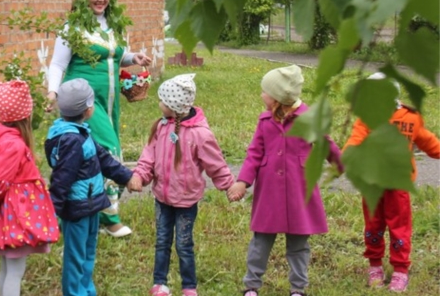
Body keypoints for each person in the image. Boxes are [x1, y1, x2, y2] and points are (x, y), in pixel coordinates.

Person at [45, 0, 152, 237]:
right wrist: (52, 92)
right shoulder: (73, 27)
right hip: (85, 102)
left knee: (85, 156)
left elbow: (115, 56)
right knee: (109, 148)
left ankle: (75, 207)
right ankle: (109, 217)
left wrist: (133, 58)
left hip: (110, 101)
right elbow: (58, 64)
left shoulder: (112, 25)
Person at [227, 65, 343, 296]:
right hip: (269, 194)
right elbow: (254, 154)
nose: (261, 95)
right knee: (260, 242)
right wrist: (243, 181)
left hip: (300, 193)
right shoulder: (265, 121)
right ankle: (251, 285)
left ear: (278, 99)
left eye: (265, 92)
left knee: (299, 245)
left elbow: (326, 144)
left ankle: (298, 289)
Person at [130, 74, 235, 296]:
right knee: (162, 241)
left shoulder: (200, 134)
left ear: (175, 107)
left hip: (186, 200)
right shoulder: (161, 127)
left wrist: (228, 185)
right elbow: (149, 155)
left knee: (184, 245)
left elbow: (215, 163)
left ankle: (189, 287)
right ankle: (160, 283)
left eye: (162, 101)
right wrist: (140, 175)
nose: (159, 104)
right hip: (162, 197)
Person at [342, 72, 440, 292]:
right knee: (373, 227)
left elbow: (427, 140)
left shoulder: (410, 118)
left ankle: (400, 270)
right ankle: (375, 266)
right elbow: (355, 140)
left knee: (400, 229)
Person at [44, 78, 141, 296]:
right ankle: (74, 292)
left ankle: (86, 290)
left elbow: (104, 160)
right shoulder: (71, 140)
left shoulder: (82, 133)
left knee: (88, 252)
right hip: (77, 208)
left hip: (91, 204)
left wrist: (127, 177)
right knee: (76, 256)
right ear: (89, 109)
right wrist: (52, 214)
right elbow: (61, 181)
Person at [0, 80, 59, 296]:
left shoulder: (4, 138)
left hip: (10, 214)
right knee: (15, 271)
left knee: (8, 267)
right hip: (16, 215)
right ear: (25, 115)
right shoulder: (14, 145)